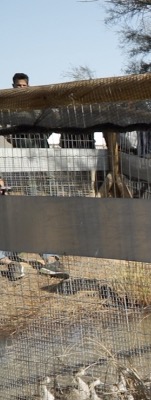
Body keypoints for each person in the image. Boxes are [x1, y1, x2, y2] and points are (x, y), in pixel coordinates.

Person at [3, 73, 70, 279]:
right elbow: (7, 130)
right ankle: (41, 252)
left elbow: (50, 124)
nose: (21, 88)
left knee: (51, 195)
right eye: (18, 85)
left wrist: (40, 138)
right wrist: (17, 141)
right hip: (24, 160)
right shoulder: (9, 107)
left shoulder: (36, 104)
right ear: (13, 86)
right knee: (32, 200)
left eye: (24, 85)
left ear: (28, 85)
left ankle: (51, 249)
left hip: (43, 155)